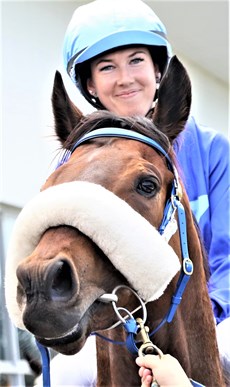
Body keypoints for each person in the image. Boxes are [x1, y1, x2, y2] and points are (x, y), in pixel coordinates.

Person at [38, 0, 229, 385]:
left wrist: (194, 318)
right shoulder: (75, 166)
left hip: (212, 317)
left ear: (158, 69)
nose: (125, 78)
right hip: (113, 324)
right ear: (90, 85)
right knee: (61, 377)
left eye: (136, 60)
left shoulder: (213, 151)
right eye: (108, 67)